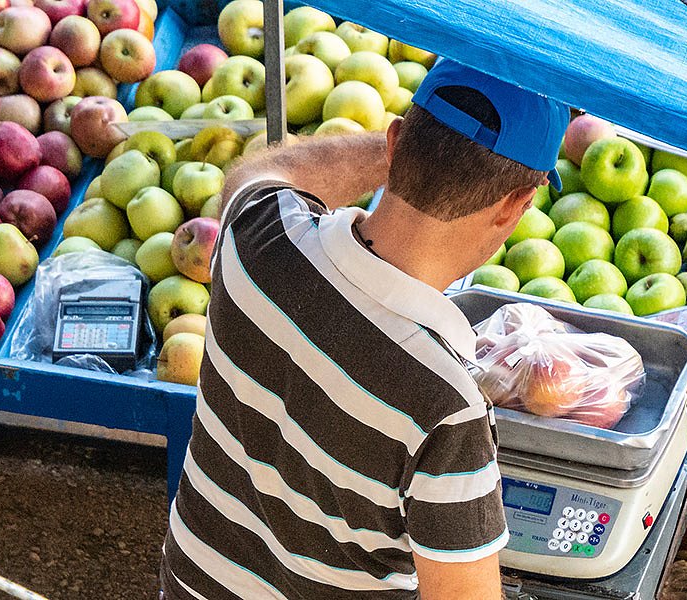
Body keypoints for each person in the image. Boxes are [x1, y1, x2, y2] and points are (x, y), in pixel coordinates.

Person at [159, 59, 568, 599]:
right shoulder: (446, 408)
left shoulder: (256, 237)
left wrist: (417, 149)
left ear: (396, 141)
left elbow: (256, 173)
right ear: (516, 206)